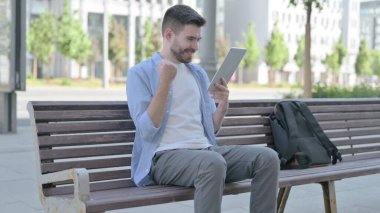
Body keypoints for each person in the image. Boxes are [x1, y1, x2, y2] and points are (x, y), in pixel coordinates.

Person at [126, 4, 279, 213]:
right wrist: (164, 84)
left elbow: (211, 128)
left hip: (205, 151)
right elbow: (146, 130)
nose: (196, 46)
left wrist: (222, 106)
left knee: (267, 158)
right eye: (190, 39)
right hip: (163, 158)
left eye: (198, 40)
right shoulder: (140, 73)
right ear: (169, 34)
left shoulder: (197, 74)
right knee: (212, 163)